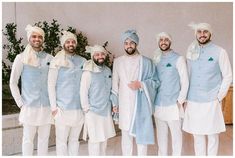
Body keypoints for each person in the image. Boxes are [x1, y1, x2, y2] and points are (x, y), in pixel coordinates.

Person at [182, 22, 232, 156]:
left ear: (210, 34)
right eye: (199, 32)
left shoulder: (220, 51)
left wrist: (218, 96)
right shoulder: (190, 51)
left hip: (211, 100)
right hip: (193, 100)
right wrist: (185, 98)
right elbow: (187, 76)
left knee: (212, 135)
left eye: (205, 32)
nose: (202, 34)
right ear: (196, 34)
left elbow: (228, 75)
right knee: (197, 136)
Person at [111, 29, 159, 155]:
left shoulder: (146, 62)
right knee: (126, 136)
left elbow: (155, 81)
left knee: (141, 136)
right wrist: (115, 104)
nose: (129, 45)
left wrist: (141, 84)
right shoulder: (118, 62)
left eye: (132, 43)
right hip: (124, 104)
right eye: (126, 43)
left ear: (136, 44)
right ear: (123, 45)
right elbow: (114, 84)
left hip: (140, 105)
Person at [9, 24, 53, 155]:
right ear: (29, 38)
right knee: (28, 139)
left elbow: (54, 82)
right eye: (34, 36)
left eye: (40, 37)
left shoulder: (50, 58)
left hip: (46, 106)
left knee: (44, 139)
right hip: (29, 107)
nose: (37, 39)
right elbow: (12, 82)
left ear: (43, 39)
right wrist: (20, 103)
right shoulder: (20, 58)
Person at [48, 31, 86, 156]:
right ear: (63, 44)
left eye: (73, 41)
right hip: (62, 108)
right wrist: (54, 108)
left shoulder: (83, 61)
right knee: (61, 141)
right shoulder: (56, 61)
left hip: (79, 108)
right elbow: (51, 84)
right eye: (68, 42)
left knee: (75, 140)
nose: (71, 44)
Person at [153, 32, 189, 155]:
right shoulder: (156, 59)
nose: (163, 42)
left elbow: (185, 81)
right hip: (158, 104)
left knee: (176, 137)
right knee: (161, 137)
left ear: (170, 41)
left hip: (173, 104)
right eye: (161, 40)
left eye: (166, 40)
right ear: (158, 42)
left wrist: (180, 101)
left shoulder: (178, 59)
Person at [80, 45, 116, 156]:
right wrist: (86, 109)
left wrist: (113, 104)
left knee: (104, 138)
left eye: (102, 54)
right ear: (92, 56)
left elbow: (111, 89)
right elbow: (83, 92)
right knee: (95, 140)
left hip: (106, 110)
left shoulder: (108, 70)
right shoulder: (87, 72)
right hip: (93, 111)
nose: (100, 56)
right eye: (97, 54)